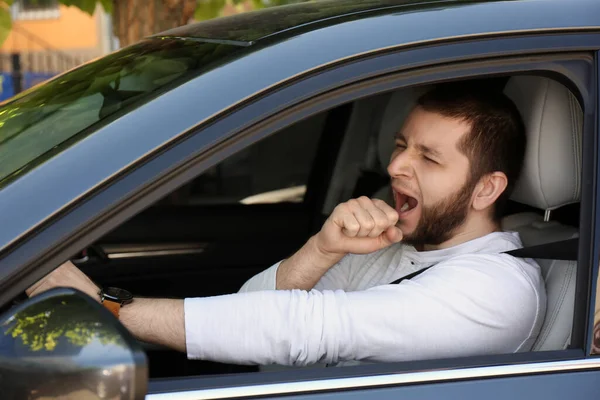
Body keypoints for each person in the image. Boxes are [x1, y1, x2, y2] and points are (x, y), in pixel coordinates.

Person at [27, 84, 546, 367]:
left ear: (486, 189)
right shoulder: (398, 244)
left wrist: (106, 306)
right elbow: (253, 306)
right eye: (400, 145)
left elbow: (297, 330)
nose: (395, 168)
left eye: (428, 158)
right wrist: (321, 249)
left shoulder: (494, 288)